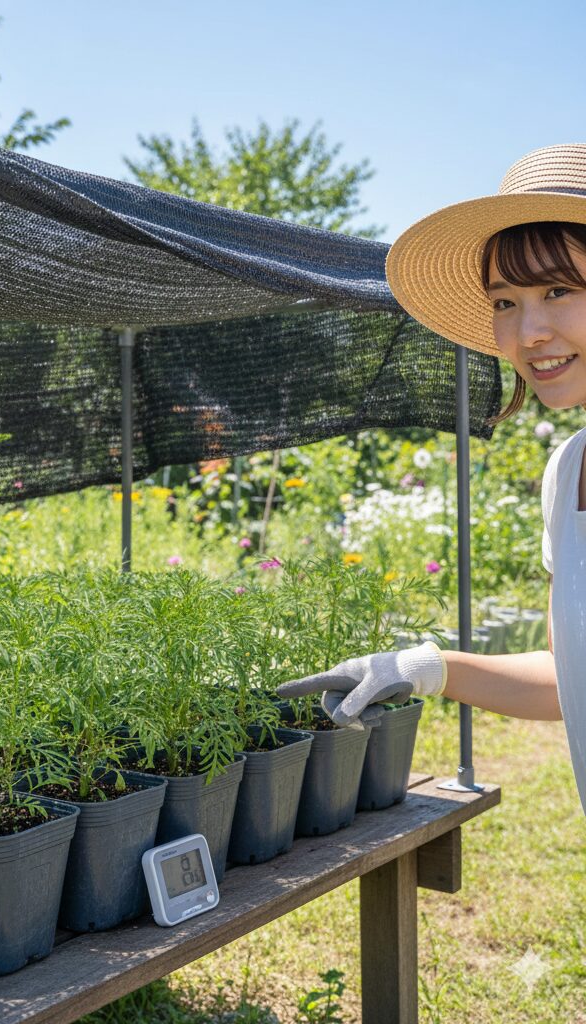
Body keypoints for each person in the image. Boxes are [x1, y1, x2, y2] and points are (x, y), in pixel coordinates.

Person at [276, 143, 586, 815]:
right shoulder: (568, 474)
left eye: (559, 290)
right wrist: (431, 667)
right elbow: (571, 682)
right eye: (505, 301)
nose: (529, 331)